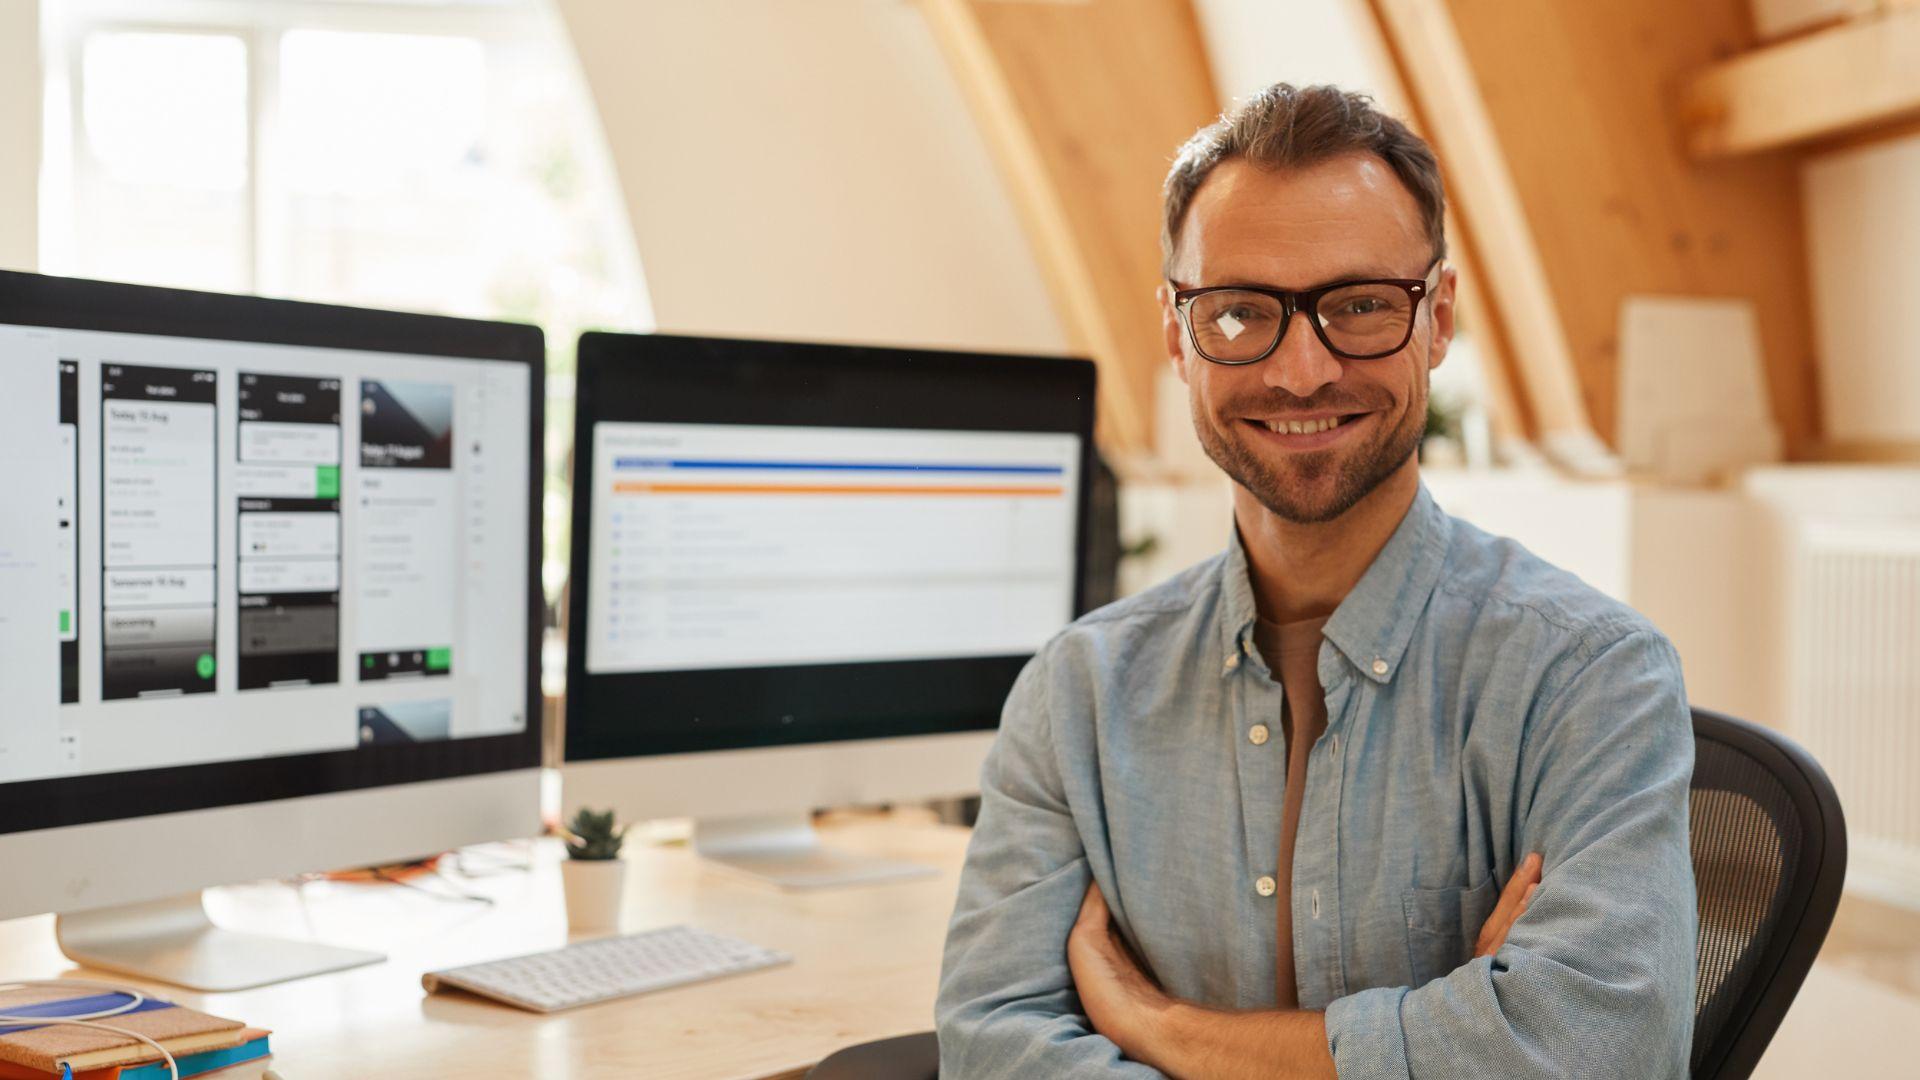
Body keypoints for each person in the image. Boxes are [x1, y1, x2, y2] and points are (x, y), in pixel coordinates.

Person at [935, 83, 1696, 1079]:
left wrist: (1160, 1028)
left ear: (1439, 319)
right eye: (1242, 312)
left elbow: (1600, 1049)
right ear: (1176, 333)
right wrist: (1450, 1035)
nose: (1300, 371)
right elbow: (993, 1046)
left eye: (1360, 306)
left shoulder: (1591, 680)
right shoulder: (1075, 697)